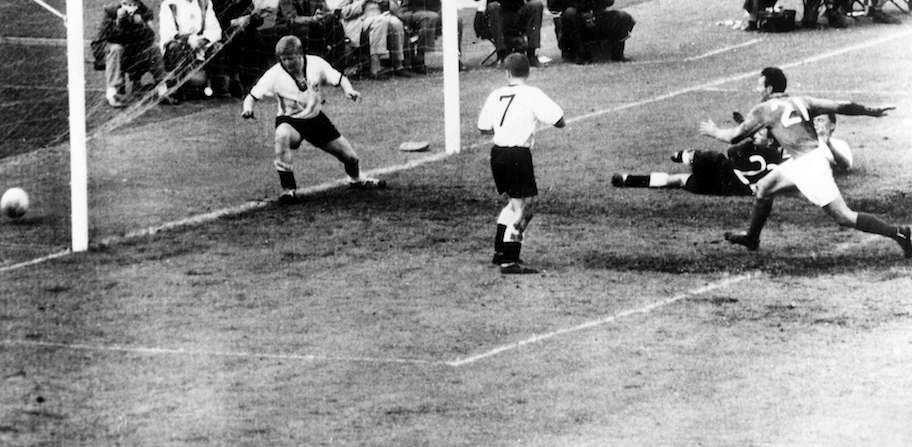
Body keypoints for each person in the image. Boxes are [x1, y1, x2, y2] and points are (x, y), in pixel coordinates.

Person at [698, 66, 911, 257]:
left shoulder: (763, 109)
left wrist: (714, 131)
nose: (758, 91)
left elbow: (733, 137)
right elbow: (840, 106)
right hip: (805, 160)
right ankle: (752, 237)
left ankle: (899, 233)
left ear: (770, 88)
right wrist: (870, 111)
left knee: (844, 217)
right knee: (764, 187)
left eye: (760, 86)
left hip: (809, 166)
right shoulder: (803, 101)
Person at [241, 35, 385, 204]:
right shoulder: (273, 74)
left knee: (351, 158)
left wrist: (349, 90)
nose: (287, 63)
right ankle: (289, 190)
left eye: (291, 58)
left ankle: (356, 179)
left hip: (316, 119)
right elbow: (251, 96)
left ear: (300, 54)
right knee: (282, 136)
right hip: (290, 121)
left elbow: (340, 79)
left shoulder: (316, 63)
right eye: (284, 59)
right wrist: (248, 109)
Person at [477, 53, 566, 274]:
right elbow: (559, 120)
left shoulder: (496, 94)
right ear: (528, 72)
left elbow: (483, 127)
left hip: (497, 153)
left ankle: (500, 251)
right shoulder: (532, 94)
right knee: (525, 208)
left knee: (513, 203)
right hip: (518, 154)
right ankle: (509, 259)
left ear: (507, 73)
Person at [613, 114, 853, 195]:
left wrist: (828, 143)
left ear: (832, 125)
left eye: (823, 121)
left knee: (713, 159)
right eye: (816, 120)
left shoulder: (835, 144)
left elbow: (845, 164)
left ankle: (687, 155)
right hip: (747, 178)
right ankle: (629, 180)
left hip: (750, 179)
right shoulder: (797, 138)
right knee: (680, 181)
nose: (818, 124)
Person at [93, 0, 175, 107]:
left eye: (133, 5)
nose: (129, 7)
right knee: (116, 49)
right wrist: (118, 23)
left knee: (154, 48)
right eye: (126, 4)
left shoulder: (144, 12)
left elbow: (150, 37)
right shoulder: (110, 12)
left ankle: (162, 89)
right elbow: (100, 42)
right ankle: (112, 93)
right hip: (117, 58)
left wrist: (141, 24)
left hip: (136, 56)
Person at [328, 0, 413, 78]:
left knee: (396, 23)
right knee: (380, 21)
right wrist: (363, 2)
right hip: (359, 22)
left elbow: (397, 9)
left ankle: (398, 65)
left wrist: (387, 3)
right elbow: (342, 12)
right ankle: (375, 68)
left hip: (382, 15)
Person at [159, 0, 224, 98]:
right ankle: (177, 86)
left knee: (218, 46)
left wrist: (202, 41)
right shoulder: (169, 4)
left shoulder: (204, 3)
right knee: (175, 47)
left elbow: (215, 30)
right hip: (180, 47)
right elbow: (168, 32)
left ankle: (213, 84)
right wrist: (188, 39)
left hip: (200, 47)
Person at [388, 0, 464, 73]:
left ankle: (453, 57)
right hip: (410, 10)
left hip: (434, 9)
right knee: (431, 17)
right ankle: (419, 59)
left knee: (456, 20)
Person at [549, 0, 635, 64]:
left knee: (623, 17)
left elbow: (609, 2)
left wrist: (591, 8)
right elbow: (553, 6)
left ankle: (617, 54)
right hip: (574, 18)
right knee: (570, 13)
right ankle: (580, 56)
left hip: (596, 13)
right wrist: (581, 8)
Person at [210, 0, 265, 97]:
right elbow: (215, 21)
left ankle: (250, 81)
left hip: (244, 30)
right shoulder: (217, 2)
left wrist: (255, 18)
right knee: (234, 39)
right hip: (223, 31)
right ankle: (233, 80)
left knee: (255, 37)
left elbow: (257, 20)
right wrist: (236, 22)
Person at [275, 0, 347, 68]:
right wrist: (312, 19)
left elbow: (324, 10)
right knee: (308, 30)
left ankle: (337, 69)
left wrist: (325, 15)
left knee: (336, 24)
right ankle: (310, 68)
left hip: (312, 25)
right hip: (288, 29)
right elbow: (291, 19)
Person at [484, 0, 545, 66]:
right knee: (493, 6)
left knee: (536, 4)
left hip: (517, 14)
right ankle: (501, 55)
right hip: (498, 16)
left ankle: (531, 55)